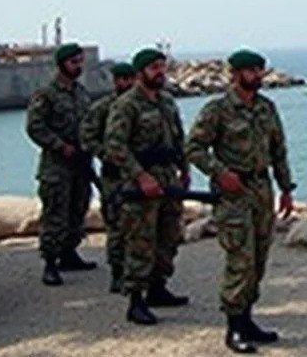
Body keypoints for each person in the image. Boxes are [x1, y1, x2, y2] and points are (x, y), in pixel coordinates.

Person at [187, 49, 297, 353]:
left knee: (258, 258)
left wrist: (286, 188)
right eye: (251, 71)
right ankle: (234, 327)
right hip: (233, 194)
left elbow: (278, 151)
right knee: (240, 259)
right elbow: (194, 148)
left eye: (260, 70)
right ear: (235, 75)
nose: (258, 76)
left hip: (261, 189)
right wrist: (220, 173)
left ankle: (247, 319)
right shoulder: (217, 110)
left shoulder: (266, 108)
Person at [104, 47, 190, 325]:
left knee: (169, 236)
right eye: (154, 68)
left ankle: (158, 287)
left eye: (163, 67)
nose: (160, 73)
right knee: (140, 241)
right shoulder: (127, 105)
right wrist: (140, 176)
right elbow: (115, 145)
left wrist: (185, 168)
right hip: (140, 182)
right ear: (140, 73)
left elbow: (178, 138)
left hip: (168, 178)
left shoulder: (167, 102)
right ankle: (136, 299)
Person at [25, 42, 95, 287]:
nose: (78, 66)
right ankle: (50, 262)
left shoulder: (81, 93)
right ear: (62, 65)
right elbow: (35, 127)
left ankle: (69, 252)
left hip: (81, 161)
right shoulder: (47, 94)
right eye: (74, 62)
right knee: (56, 212)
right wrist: (60, 146)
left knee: (78, 207)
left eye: (80, 62)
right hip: (57, 165)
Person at [78, 61, 138, 292]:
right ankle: (118, 271)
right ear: (115, 81)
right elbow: (87, 137)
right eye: (123, 79)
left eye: (131, 79)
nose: (128, 83)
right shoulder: (104, 108)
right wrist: (105, 154)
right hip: (115, 177)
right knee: (116, 226)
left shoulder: (145, 105)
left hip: (141, 174)